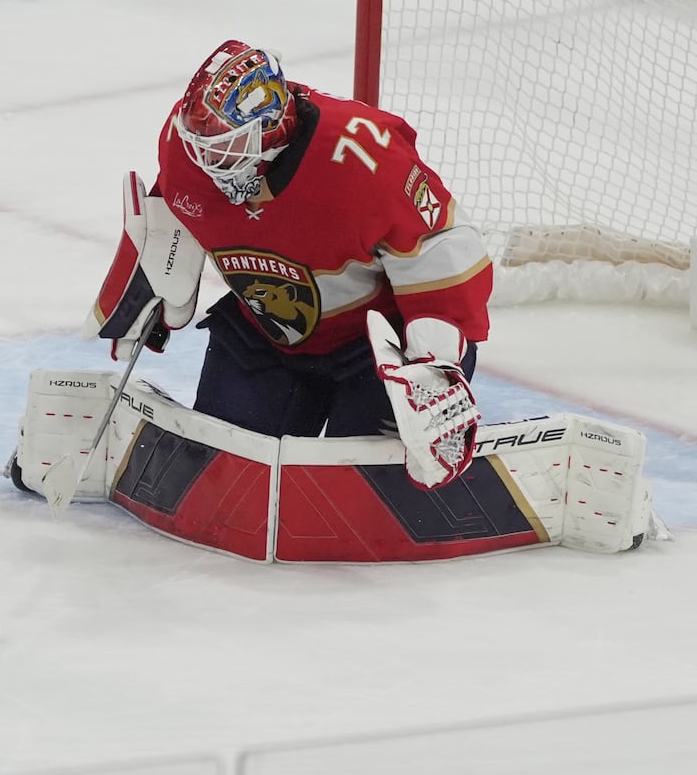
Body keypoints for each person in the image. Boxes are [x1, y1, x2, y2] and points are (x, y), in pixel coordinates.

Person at [84, 39, 491, 480]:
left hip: (373, 352)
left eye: (228, 147)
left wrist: (431, 369)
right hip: (265, 335)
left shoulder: (366, 159)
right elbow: (176, 210)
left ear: (273, 129)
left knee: (362, 488)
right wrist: (157, 276)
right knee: (220, 479)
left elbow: (443, 250)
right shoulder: (187, 150)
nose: (210, 162)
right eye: (205, 147)